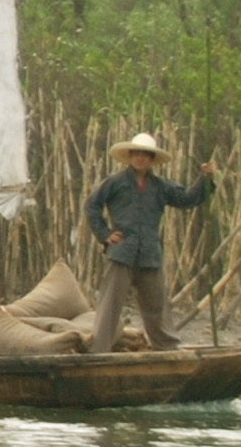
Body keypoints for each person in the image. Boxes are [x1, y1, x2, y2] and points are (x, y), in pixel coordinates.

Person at [83, 131, 212, 353]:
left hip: (149, 254)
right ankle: (98, 350)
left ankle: (167, 348)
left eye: (145, 155)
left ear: (152, 160)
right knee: (110, 305)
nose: (140, 158)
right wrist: (105, 234)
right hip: (122, 252)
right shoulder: (115, 183)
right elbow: (92, 206)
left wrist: (206, 179)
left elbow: (188, 199)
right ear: (130, 156)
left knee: (156, 305)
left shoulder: (160, 186)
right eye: (136, 154)